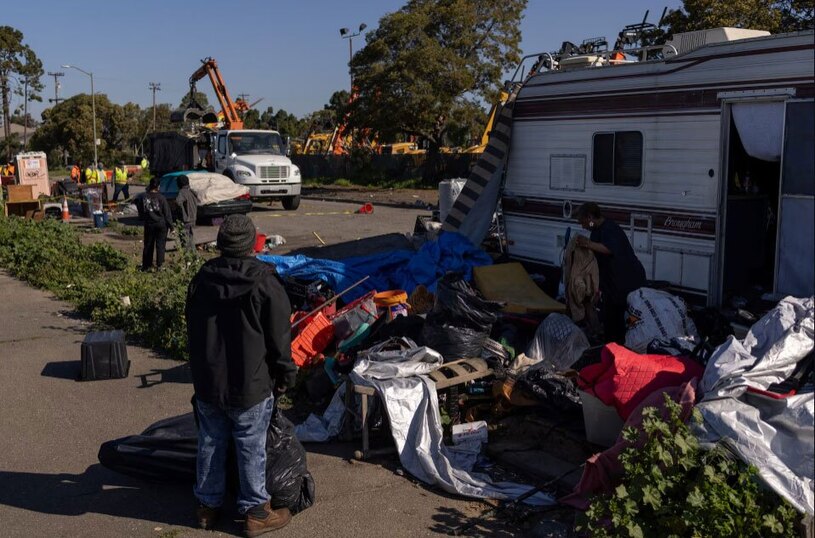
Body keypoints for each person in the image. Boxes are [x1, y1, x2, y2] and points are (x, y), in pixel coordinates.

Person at [186, 214, 296, 535]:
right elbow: (280, 340)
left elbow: (192, 331)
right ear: (252, 244)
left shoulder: (202, 279)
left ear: (220, 245)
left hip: (209, 382)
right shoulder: (264, 282)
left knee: (210, 441)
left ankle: (207, 507)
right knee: (250, 445)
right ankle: (255, 512)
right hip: (251, 385)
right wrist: (286, 375)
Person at [575, 202, 646, 344]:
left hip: (628, 280)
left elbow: (609, 249)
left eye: (583, 222)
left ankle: (625, 343)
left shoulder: (610, 228)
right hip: (612, 283)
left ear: (590, 217)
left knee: (625, 315)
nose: (583, 226)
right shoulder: (595, 232)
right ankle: (612, 345)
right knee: (610, 318)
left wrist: (587, 243)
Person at [141, 177, 173, 271]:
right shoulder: (161, 198)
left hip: (149, 224)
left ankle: (146, 265)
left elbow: (142, 211)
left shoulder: (145, 197)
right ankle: (160, 265)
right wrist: (171, 226)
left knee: (148, 245)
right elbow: (167, 213)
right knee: (160, 245)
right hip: (161, 224)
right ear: (158, 186)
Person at [175, 175, 198, 251]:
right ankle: (193, 256)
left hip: (185, 220)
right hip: (192, 218)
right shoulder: (191, 191)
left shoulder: (182, 192)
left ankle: (188, 257)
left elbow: (178, 202)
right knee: (190, 238)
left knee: (185, 240)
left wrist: (182, 213)